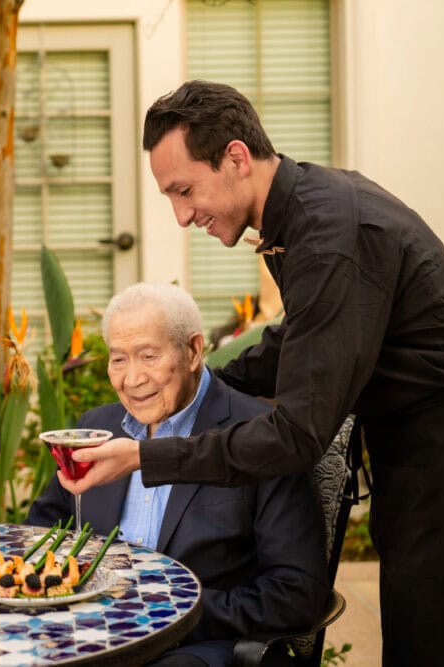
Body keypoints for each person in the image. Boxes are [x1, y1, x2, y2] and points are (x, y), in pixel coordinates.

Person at [60, 80, 444, 664]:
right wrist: (199, 381)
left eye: (185, 190)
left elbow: (297, 434)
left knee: (438, 644)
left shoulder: (331, 236)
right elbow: (298, 341)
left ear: (235, 157)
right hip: (412, 454)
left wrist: (145, 456)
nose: (182, 215)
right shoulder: (303, 214)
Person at [28, 283, 329, 666]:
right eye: (118, 359)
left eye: (148, 356)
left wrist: (166, 610)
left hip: (196, 647)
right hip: (89, 638)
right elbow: (40, 532)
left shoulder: (260, 436)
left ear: (193, 351)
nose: (132, 378)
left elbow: (295, 592)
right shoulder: (97, 427)